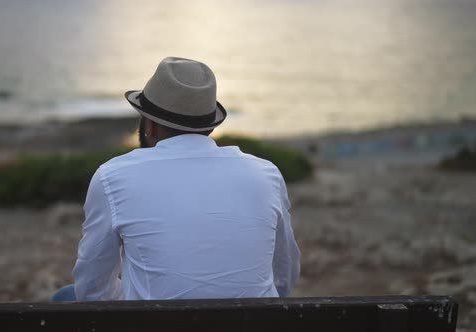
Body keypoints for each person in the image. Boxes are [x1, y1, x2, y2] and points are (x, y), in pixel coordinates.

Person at [51, 57, 300, 301]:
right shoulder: (266, 175)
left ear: (148, 125)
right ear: (209, 126)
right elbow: (284, 275)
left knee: (66, 296)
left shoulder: (112, 177)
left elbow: (91, 291)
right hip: (254, 326)